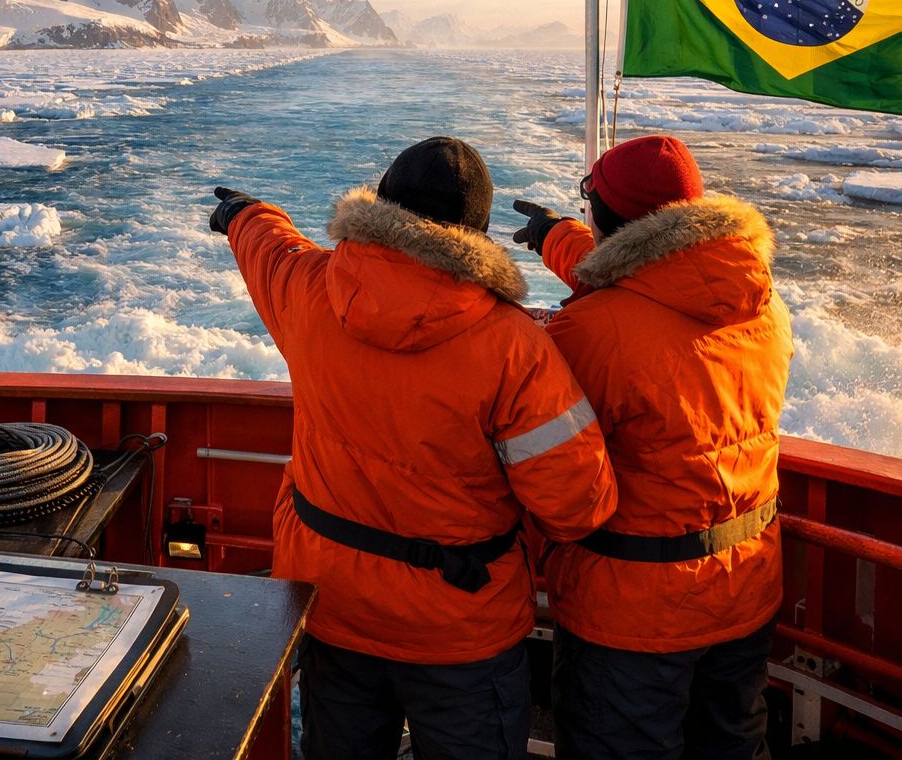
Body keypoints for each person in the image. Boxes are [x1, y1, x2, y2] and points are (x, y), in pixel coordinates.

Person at [209, 136, 617, 760]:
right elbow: (575, 507)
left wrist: (243, 213)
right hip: (461, 633)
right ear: (475, 233)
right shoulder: (515, 347)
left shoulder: (311, 291)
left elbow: (271, 251)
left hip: (331, 602)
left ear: (382, 204)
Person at [511, 135, 792, 760]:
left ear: (605, 220)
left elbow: (618, 323)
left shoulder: (589, 330)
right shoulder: (760, 300)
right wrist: (558, 238)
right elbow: (660, 283)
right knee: (732, 745)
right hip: (744, 585)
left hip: (633, 614)